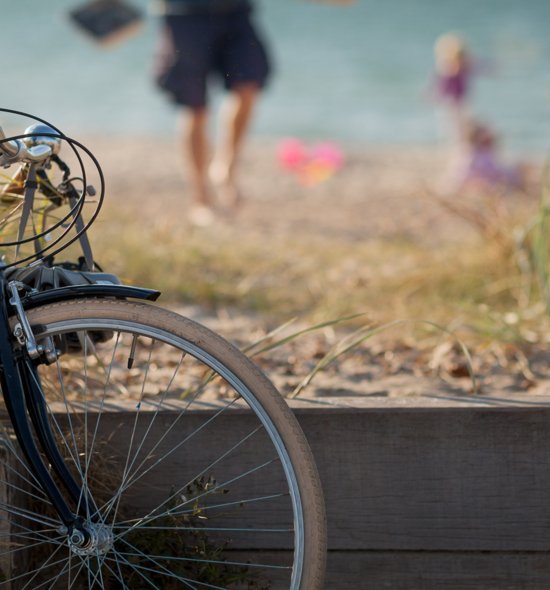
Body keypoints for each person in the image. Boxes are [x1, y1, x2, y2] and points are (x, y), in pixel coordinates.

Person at [153, 0, 355, 225]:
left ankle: (225, 169)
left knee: (248, 86)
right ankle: (201, 198)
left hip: (235, 12)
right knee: (195, 107)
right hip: (184, 14)